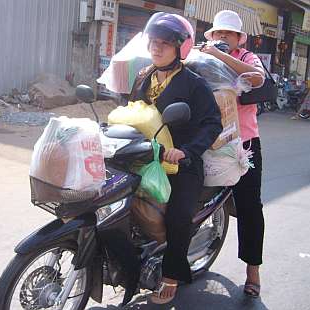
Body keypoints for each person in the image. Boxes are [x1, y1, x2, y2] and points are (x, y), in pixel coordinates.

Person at [130, 12, 223, 304]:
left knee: (178, 216)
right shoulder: (144, 76)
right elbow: (132, 110)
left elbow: (212, 123)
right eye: (153, 42)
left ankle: (171, 274)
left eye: (165, 43)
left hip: (181, 163)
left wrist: (186, 150)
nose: (156, 48)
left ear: (180, 48)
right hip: (144, 157)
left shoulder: (194, 84)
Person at [201, 10, 265, 297]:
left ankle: (253, 272)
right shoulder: (201, 57)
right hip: (206, 140)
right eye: (218, 33)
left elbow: (257, 79)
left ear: (240, 38)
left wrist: (219, 55)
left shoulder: (247, 59)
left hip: (244, 143)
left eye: (228, 33)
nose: (222, 37)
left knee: (250, 207)